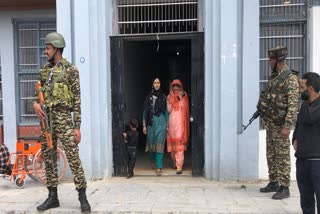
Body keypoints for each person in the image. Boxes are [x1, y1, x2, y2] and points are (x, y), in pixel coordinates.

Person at [33, 32, 91, 212]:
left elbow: (77, 101)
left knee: (73, 158)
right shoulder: (44, 71)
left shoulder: (71, 70)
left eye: (48, 48)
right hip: (47, 122)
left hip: (65, 121)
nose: (45, 52)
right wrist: (35, 104)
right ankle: (52, 197)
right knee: (49, 160)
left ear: (57, 49)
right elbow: (37, 96)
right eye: (45, 48)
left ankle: (82, 196)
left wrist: (77, 126)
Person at [257, 46, 299, 200]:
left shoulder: (290, 78)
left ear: (277, 60)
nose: (268, 62)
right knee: (271, 154)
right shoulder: (274, 77)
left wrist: (287, 126)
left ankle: (285, 187)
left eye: (270, 59)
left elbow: (293, 105)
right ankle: (274, 181)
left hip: (281, 125)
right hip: (270, 124)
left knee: (282, 156)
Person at [292, 72, 320, 214]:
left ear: (310, 88)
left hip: (317, 162)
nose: (299, 90)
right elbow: (299, 125)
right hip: (302, 160)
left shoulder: (313, 106)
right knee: (306, 200)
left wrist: (305, 104)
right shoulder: (305, 105)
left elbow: (310, 118)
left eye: (302, 87)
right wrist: (294, 139)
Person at [142, 77, 168, 176]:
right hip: (151, 124)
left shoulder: (163, 97)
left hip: (161, 123)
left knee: (160, 145)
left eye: (158, 82)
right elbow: (145, 112)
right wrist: (144, 125)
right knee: (152, 145)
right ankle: (152, 161)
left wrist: (167, 126)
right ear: (152, 84)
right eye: (155, 82)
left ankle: (159, 167)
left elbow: (166, 112)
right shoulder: (148, 97)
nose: (157, 84)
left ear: (160, 84)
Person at [166, 79, 189, 174]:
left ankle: (179, 166)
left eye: (177, 86)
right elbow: (168, 110)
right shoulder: (169, 96)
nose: (175, 87)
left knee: (179, 146)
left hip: (180, 123)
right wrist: (171, 100)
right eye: (174, 86)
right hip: (171, 123)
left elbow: (186, 108)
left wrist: (180, 98)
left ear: (180, 87)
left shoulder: (184, 95)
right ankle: (175, 163)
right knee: (173, 146)